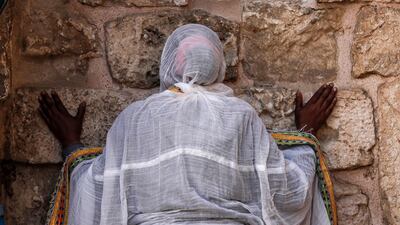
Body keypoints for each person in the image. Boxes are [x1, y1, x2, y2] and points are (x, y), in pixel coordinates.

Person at [39, 24, 337, 225]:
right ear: (218, 65)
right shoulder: (240, 116)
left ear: (169, 64)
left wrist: (71, 145)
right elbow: (287, 192)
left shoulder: (135, 119)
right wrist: (305, 133)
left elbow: (96, 191)